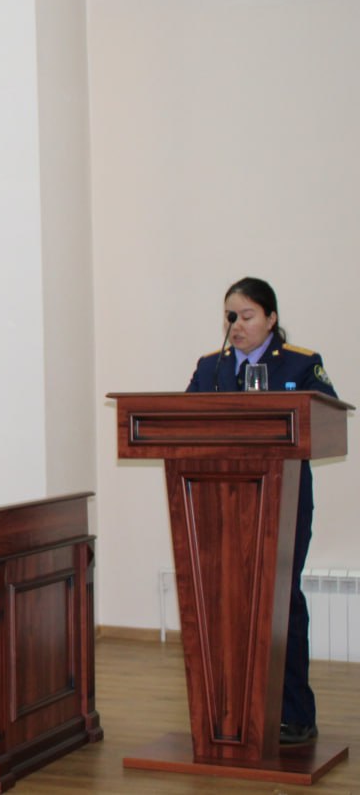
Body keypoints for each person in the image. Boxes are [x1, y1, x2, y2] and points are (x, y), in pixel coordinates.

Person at [185, 277, 336, 746]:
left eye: (247, 315)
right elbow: (182, 421)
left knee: (281, 598)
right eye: (230, 316)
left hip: (283, 499)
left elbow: (327, 421)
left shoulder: (301, 363)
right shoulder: (210, 368)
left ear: (271, 318)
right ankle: (230, 712)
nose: (236, 325)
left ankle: (294, 713)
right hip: (221, 501)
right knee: (225, 601)